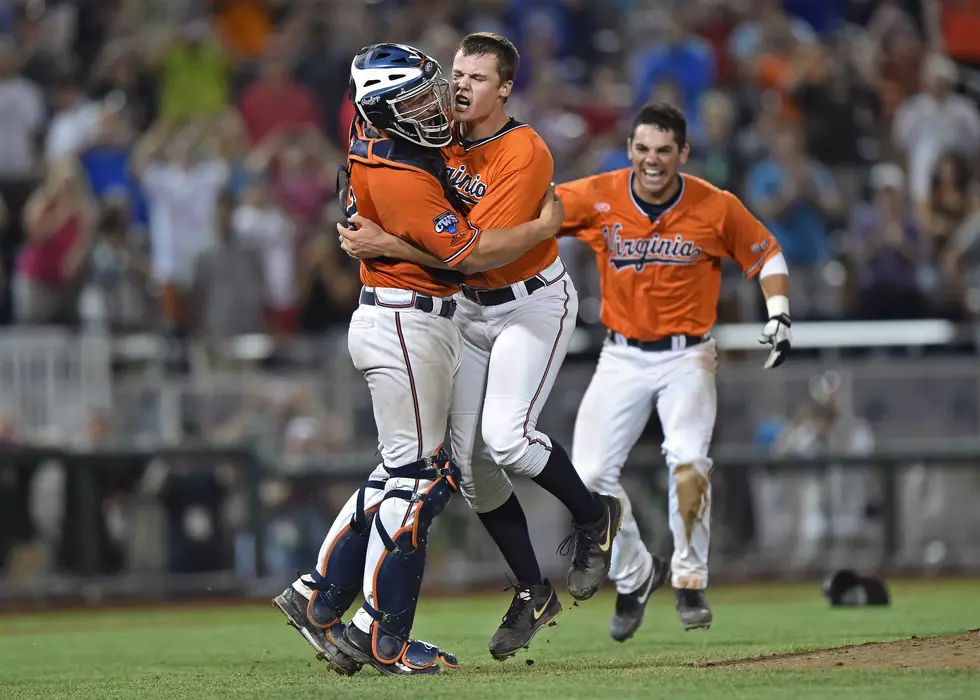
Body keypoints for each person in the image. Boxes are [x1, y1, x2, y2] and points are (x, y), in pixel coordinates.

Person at [272, 43, 564, 677]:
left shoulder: (370, 135)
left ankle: (318, 595)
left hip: (393, 313)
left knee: (396, 472)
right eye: (416, 98)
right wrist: (542, 232)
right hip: (408, 318)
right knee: (419, 481)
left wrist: (389, 241)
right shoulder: (402, 173)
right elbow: (470, 255)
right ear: (384, 108)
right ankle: (383, 635)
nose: (432, 105)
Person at [338, 33, 623, 662]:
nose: (459, 86)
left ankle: (591, 516)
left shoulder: (523, 150)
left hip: (530, 302)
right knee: (468, 468)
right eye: (456, 74)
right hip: (469, 312)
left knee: (507, 439)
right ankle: (531, 590)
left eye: (476, 77)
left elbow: (477, 255)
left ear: (504, 89)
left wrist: (388, 245)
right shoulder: (439, 133)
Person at [555, 103, 793, 639]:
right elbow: (538, 210)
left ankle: (689, 580)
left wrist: (778, 312)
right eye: (642, 149)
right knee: (589, 477)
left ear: (683, 153)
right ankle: (636, 574)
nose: (652, 160)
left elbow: (767, 254)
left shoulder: (715, 205)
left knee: (688, 461)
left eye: (664, 150)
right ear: (630, 150)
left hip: (688, 354)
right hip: (620, 353)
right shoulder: (600, 193)